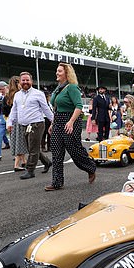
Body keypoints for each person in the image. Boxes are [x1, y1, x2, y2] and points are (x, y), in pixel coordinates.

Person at [45, 63, 97, 191]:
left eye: (60, 71)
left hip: (71, 121)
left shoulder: (72, 88)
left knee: (75, 151)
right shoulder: (58, 88)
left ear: (67, 73)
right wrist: (53, 123)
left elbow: (79, 106)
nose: (57, 73)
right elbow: (56, 108)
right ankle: (57, 182)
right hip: (58, 121)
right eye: (57, 71)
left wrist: (71, 122)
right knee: (56, 153)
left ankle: (90, 167)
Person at [7, 72, 53, 179]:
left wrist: (53, 121)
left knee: (32, 149)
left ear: (31, 81)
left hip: (36, 124)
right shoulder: (17, 95)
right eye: (23, 80)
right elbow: (14, 110)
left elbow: (46, 109)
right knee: (32, 148)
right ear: (20, 82)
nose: (25, 82)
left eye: (27, 80)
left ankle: (30, 170)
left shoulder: (38, 93)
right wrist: (9, 122)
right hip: (24, 125)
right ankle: (47, 162)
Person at [5, 76, 27, 171]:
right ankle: (16, 164)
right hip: (19, 119)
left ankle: (24, 161)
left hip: (11, 120)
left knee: (17, 141)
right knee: (21, 142)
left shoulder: (8, 95)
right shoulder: (19, 94)